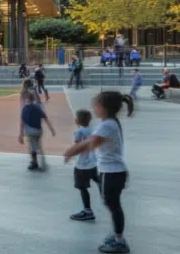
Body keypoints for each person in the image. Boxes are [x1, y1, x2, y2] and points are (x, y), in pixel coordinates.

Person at [63, 91, 134, 253]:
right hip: (112, 171)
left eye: (96, 105)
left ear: (104, 107)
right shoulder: (110, 122)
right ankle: (117, 234)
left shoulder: (107, 125)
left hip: (112, 172)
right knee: (111, 204)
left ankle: (119, 240)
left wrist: (70, 151)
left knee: (113, 205)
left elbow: (91, 143)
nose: (94, 108)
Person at [68, 109, 100, 222]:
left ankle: (87, 211)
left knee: (82, 188)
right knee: (97, 179)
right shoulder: (93, 130)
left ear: (76, 121)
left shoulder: (79, 133)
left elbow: (77, 147)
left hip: (82, 165)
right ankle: (106, 194)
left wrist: (69, 154)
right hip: (93, 163)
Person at [18, 91, 55, 170]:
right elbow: (45, 118)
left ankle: (34, 163)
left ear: (27, 99)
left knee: (32, 147)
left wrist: (21, 134)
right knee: (37, 145)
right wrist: (51, 129)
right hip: (38, 131)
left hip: (30, 131)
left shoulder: (25, 108)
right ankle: (40, 159)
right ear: (34, 99)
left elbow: (22, 122)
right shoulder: (38, 107)